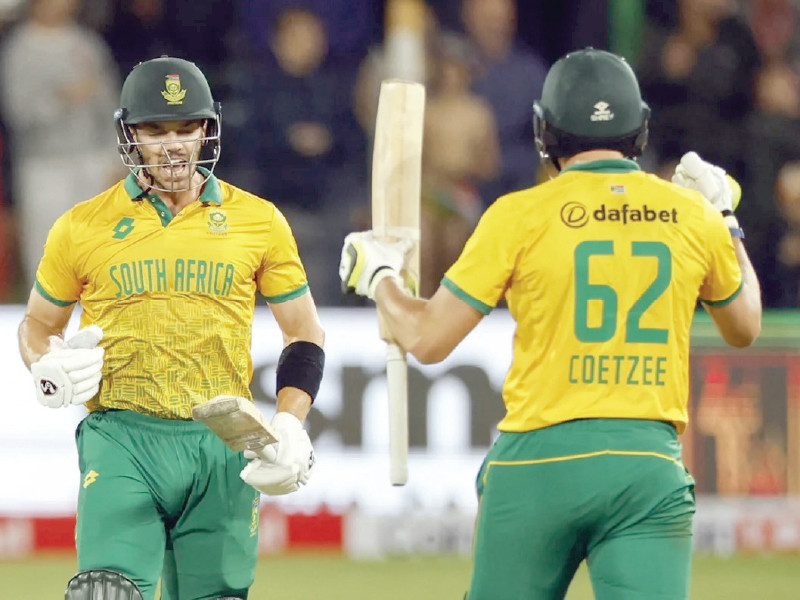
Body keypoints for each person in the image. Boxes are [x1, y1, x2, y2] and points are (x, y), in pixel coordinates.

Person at [339, 48, 762, 599]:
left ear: (545, 132)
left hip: (539, 464)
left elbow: (425, 337)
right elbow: (743, 326)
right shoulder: (692, 215)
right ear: (640, 130)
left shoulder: (519, 215)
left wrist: (381, 280)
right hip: (647, 463)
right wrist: (727, 221)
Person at [17, 56, 324, 600]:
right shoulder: (82, 226)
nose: (174, 145)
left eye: (187, 127)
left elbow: (303, 333)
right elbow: (39, 323)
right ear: (128, 133)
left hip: (222, 442)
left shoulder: (259, 221)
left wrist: (292, 424)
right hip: (122, 438)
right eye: (156, 130)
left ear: (207, 128)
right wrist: (47, 361)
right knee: (102, 592)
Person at [0, 0, 121, 289]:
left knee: (97, 250)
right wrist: (62, 99)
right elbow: (18, 113)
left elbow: (111, 105)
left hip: (92, 160)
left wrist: (116, 158)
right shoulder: (19, 49)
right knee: (48, 250)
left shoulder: (86, 43)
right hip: (43, 165)